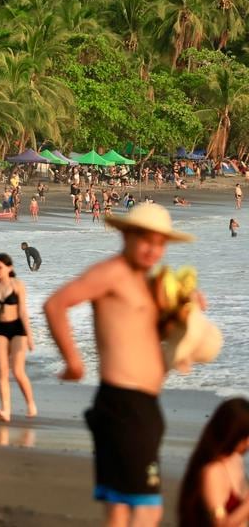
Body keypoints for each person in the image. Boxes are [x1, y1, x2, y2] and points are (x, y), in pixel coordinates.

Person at [44, 202, 196, 525]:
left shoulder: (148, 284)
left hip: (142, 406)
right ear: (125, 234)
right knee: (146, 507)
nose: (153, 249)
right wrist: (74, 362)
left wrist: (186, 322)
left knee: (121, 507)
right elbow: (57, 304)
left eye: (160, 243)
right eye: (145, 239)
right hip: (123, 405)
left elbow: (150, 339)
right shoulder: (112, 272)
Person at [178, 397, 249, 527]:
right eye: (245, 436)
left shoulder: (235, 459)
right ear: (233, 433)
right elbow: (220, 524)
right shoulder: (213, 471)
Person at [0, 253, 37, 422]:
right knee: (2, 371)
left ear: (9, 268)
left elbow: (23, 312)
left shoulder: (18, 285)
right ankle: (6, 410)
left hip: (17, 329)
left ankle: (30, 404)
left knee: (18, 371)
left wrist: (29, 336)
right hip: (1, 329)